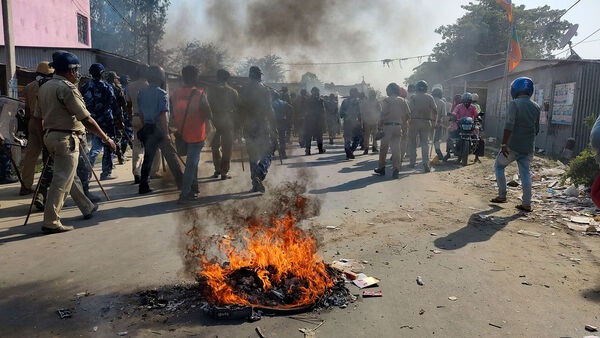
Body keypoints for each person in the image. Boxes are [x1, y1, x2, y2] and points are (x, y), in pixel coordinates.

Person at [38, 51, 116, 233]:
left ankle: (86, 206)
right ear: (70, 70)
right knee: (61, 181)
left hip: (51, 136)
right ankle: (51, 221)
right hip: (65, 138)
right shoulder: (66, 88)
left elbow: (37, 116)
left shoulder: (45, 87)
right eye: (76, 70)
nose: (77, 74)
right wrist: (106, 138)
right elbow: (86, 119)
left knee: (69, 176)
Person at [490, 77, 540, 212]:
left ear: (515, 89)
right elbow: (537, 129)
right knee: (525, 173)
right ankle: (526, 203)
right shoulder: (536, 106)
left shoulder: (514, 104)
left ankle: (502, 196)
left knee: (499, 166)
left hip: (512, 145)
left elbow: (509, 125)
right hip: (528, 147)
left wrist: (504, 144)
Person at [137, 65, 184, 194]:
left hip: (147, 128)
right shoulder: (162, 93)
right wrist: (167, 133)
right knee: (171, 156)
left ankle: (143, 186)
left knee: (148, 158)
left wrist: (143, 128)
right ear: (161, 78)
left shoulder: (142, 93)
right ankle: (181, 182)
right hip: (159, 129)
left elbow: (140, 114)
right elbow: (163, 115)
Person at [171, 65, 213, 203]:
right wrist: (209, 131)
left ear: (183, 77)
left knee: (192, 163)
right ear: (195, 78)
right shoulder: (200, 94)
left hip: (182, 134)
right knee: (191, 164)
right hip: (196, 135)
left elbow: (172, 114)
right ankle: (185, 193)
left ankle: (193, 188)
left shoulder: (175, 94)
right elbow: (208, 115)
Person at [238, 66, 276, 193]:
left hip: (248, 126)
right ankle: (259, 173)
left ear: (250, 75)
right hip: (262, 125)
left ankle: (255, 183)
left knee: (253, 155)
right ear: (259, 76)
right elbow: (269, 110)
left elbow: (239, 110)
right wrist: (273, 126)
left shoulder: (243, 90)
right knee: (268, 152)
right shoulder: (265, 90)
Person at [80, 63, 120, 180]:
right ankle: (106, 173)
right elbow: (113, 103)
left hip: (90, 121)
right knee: (108, 145)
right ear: (102, 73)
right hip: (106, 120)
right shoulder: (107, 86)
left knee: (95, 147)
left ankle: (87, 173)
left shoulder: (84, 87)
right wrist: (119, 118)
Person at [20, 61, 54, 194]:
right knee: (50, 156)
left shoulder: (29, 86)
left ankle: (25, 186)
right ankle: (45, 188)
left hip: (33, 122)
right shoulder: (49, 86)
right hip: (46, 122)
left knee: (31, 156)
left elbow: (27, 109)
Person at [126, 65, 162, 184]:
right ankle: (153, 172)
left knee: (137, 146)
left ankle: (136, 172)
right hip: (149, 120)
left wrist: (131, 117)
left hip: (136, 118)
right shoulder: (150, 87)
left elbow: (128, 105)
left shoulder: (130, 86)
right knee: (154, 147)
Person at [374, 83, 411, 179]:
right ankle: (396, 169)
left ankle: (381, 168)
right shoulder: (403, 100)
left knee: (383, 149)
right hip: (398, 127)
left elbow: (381, 115)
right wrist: (402, 123)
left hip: (387, 127)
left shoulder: (386, 100)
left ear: (389, 90)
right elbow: (408, 115)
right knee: (396, 149)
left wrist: (379, 127)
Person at [208, 69, 239, 179]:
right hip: (228, 121)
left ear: (217, 77)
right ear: (227, 78)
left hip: (215, 121)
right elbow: (237, 109)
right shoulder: (233, 92)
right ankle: (224, 172)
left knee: (215, 146)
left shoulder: (211, 91)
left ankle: (217, 169)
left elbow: (208, 107)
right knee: (227, 147)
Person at [407, 80, 437, 172]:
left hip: (414, 122)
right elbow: (435, 111)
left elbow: (408, 111)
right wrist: (435, 122)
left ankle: (412, 162)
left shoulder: (413, 98)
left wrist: (408, 122)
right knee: (425, 143)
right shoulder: (430, 97)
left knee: (412, 143)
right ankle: (425, 163)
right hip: (426, 122)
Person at [105, 71, 131, 165]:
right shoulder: (117, 89)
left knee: (109, 137)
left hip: (106, 116)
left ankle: (119, 156)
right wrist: (125, 115)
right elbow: (124, 104)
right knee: (118, 137)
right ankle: (120, 156)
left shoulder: (104, 87)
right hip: (117, 116)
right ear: (114, 79)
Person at [444, 92, 479, 162]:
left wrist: (478, 117)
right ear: (462, 101)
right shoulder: (458, 106)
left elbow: (476, 114)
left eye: (468, 101)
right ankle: (448, 153)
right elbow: (454, 113)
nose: (466, 102)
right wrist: (452, 116)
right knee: (450, 134)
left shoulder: (473, 107)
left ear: (470, 101)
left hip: (470, 125)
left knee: (477, 137)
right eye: (465, 101)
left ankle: (477, 156)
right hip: (459, 125)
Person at [303, 87, 327, 155]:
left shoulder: (308, 100)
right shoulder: (320, 100)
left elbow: (305, 111)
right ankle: (320, 149)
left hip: (309, 121)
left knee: (308, 136)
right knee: (319, 136)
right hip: (318, 121)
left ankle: (308, 150)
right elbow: (323, 112)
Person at [340, 88, 362, 160]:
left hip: (348, 122)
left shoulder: (345, 101)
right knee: (356, 138)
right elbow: (360, 113)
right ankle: (350, 151)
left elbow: (341, 113)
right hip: (354, 122)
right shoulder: (358, 101)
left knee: (348, 138)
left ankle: (349, 151)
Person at [271, 91, 292, 159]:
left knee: (273, 137)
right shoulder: (284, 102)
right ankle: (283, 153)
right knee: (282, 138)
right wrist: (287, 115)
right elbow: (291, 108)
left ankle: (272, 152)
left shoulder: (271, 103)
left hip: (274, 121)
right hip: (282, 121)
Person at [360, 89, 381, 154]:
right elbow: (380, 110)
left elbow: (362, 112)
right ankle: (373, 148)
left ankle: (367, 148)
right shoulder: (376, 101)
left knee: (367, 136)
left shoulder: (366, 102)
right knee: (373, 135)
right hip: (373, 120)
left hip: (368, 121)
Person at [431, 87, 447, 160]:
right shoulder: (442, 102)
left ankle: (426, 155)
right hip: (437, 124)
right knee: (436, 139)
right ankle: (438, 153)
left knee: (426, 139)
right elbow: (444, 115)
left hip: (428, 122)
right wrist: (444, 125)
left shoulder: (429, 100)